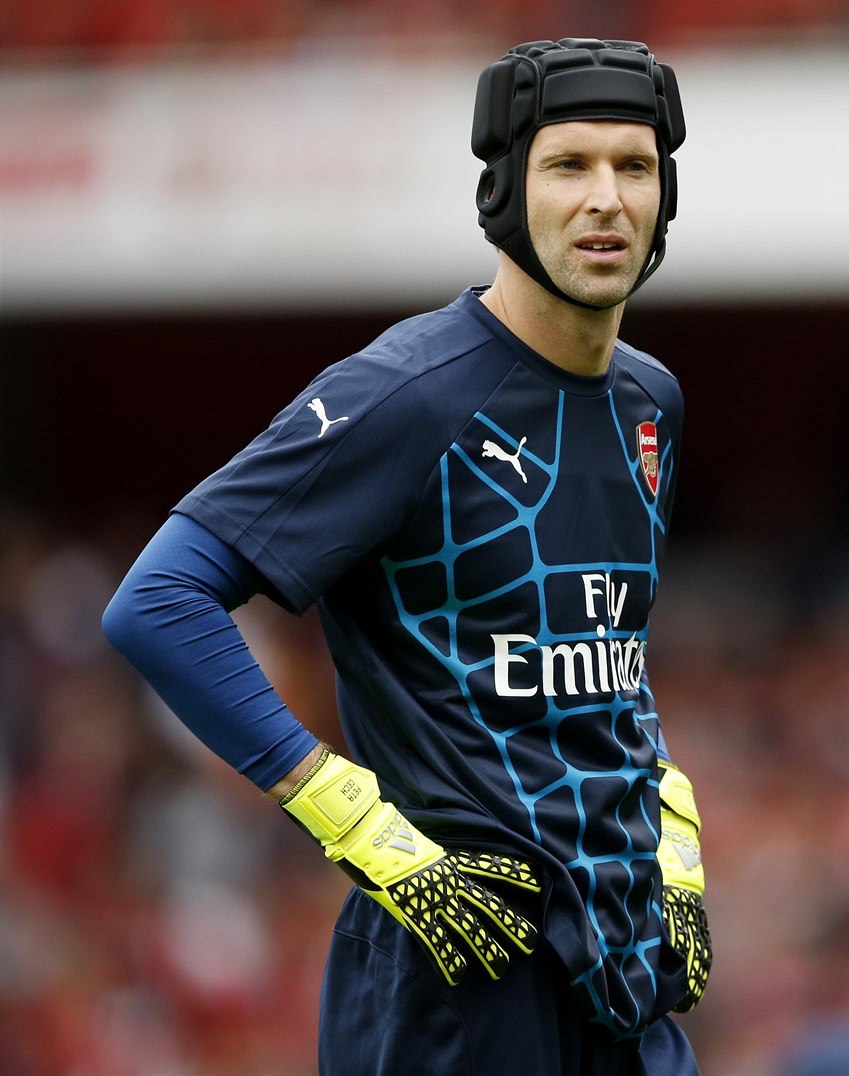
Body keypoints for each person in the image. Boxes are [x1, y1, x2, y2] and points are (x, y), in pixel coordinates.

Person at [102, 38, 708, 1076]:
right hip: (452, 966)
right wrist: (354, 822)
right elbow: (157, 600)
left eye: (635, 166)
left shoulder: (653, 400)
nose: (607, 198)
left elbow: (608, 654)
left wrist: (675, 836)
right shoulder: (408, 391)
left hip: (624, 952)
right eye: (569, 165)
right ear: (503, 191)